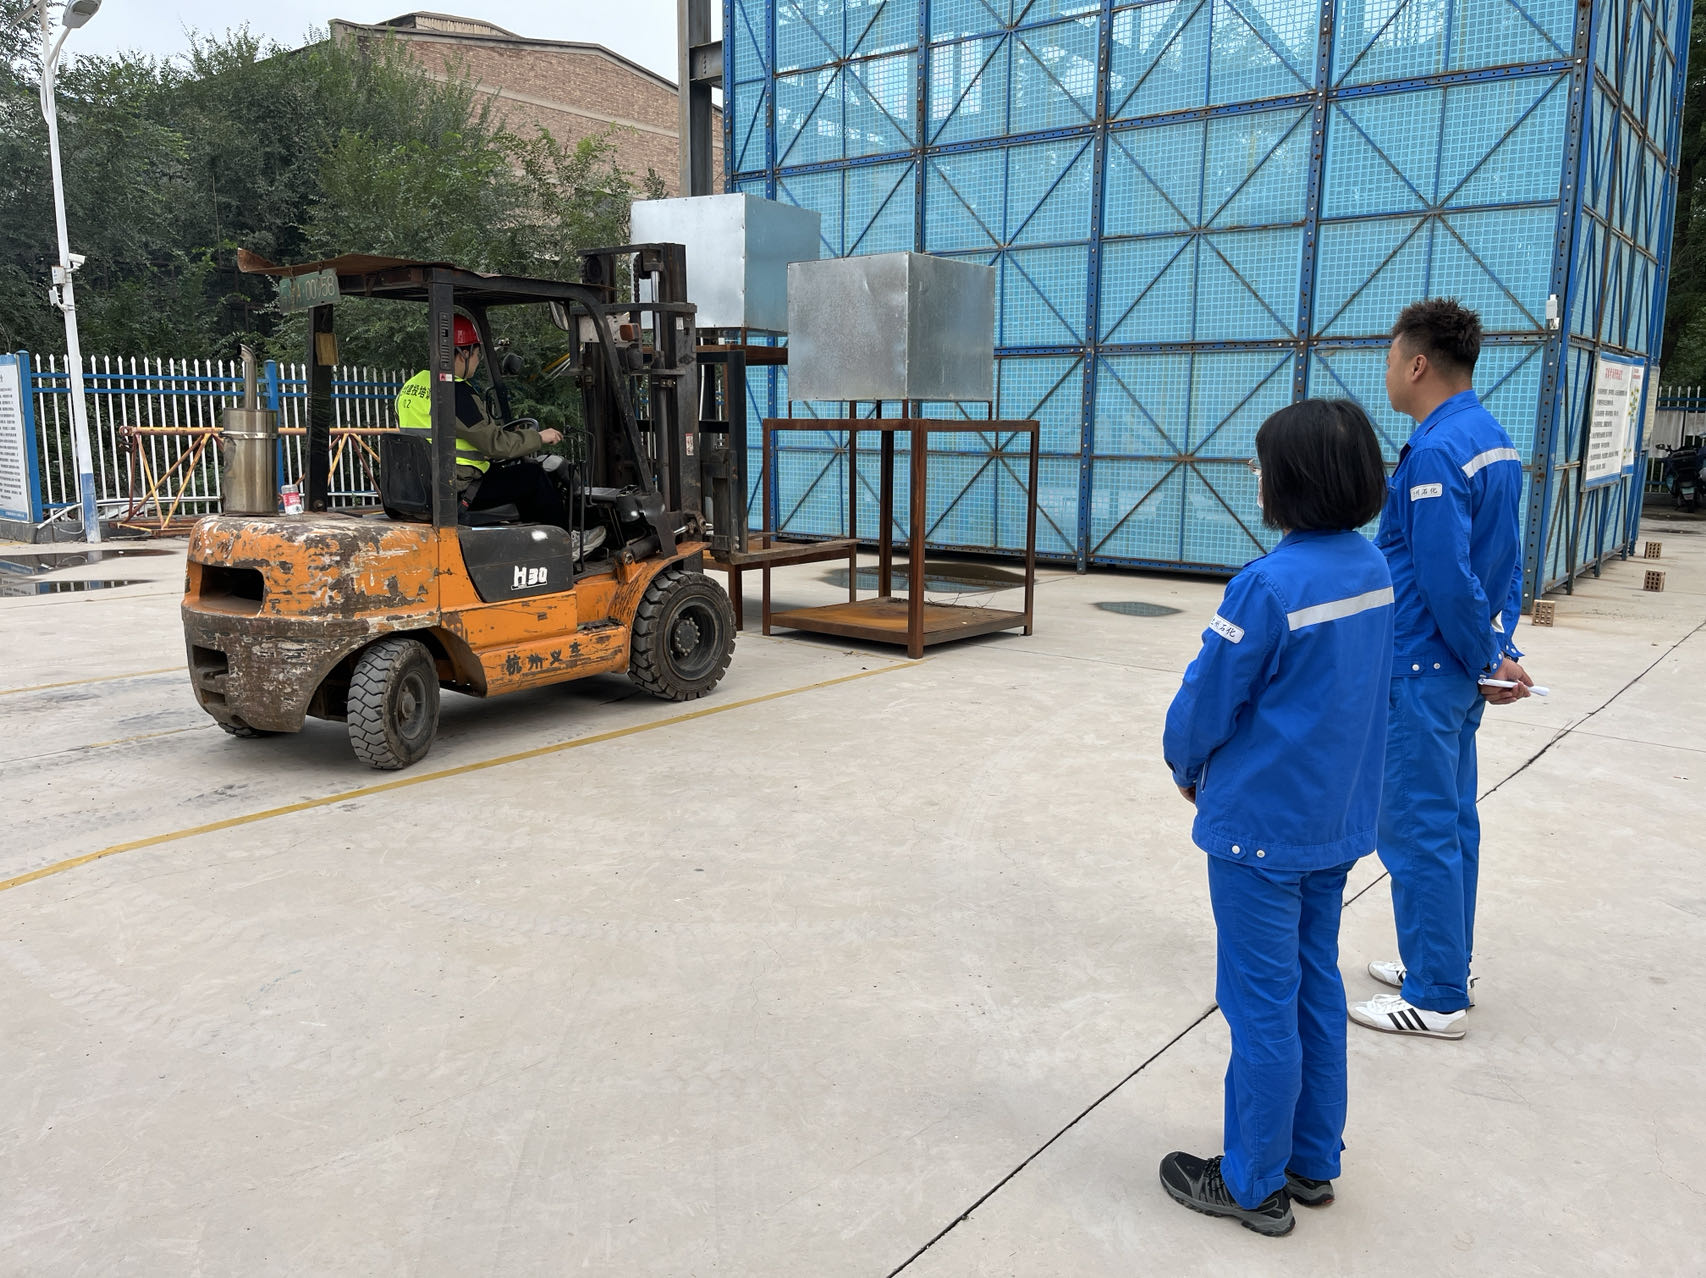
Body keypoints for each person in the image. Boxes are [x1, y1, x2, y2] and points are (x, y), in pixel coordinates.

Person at [1158, 399, 1393, 1237]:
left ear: (1289, 482)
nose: (1256, 478)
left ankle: (1252, 1179)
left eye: (1260, 466)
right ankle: (1310, 1159)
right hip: (1332, 824)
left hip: (1259, 831)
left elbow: (1206, 701)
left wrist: (1186, 767)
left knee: (1260, 1002)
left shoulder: (1267, 586)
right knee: (1314, 984)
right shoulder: (1374, 569)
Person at [1348, 298, 1534, 1042]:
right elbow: (1507, 560)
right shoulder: (1493, 439)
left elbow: (1443, 574)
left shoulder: (1432, 452)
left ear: (1418, 364)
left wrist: (1488, 653)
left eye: (1391, 360)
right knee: (1453, 821)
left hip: (1423, 666)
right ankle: (1443, 959)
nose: (1388, 373)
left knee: (1418, 827)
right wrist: (1500, 647)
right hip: (1457, 668)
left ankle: (1435, 996)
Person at [395, 315, 603, 555]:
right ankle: (564, 544)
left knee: (513, 476)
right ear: (464, 353)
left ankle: (533, 545)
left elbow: (451, 435)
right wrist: (539, 437)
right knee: (533, 476)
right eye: (477, 354)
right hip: (459, 487)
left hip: (426, 485)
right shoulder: (454, 392)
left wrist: (503, 438)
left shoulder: (412, 386)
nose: (477, 361)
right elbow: (495, 445)